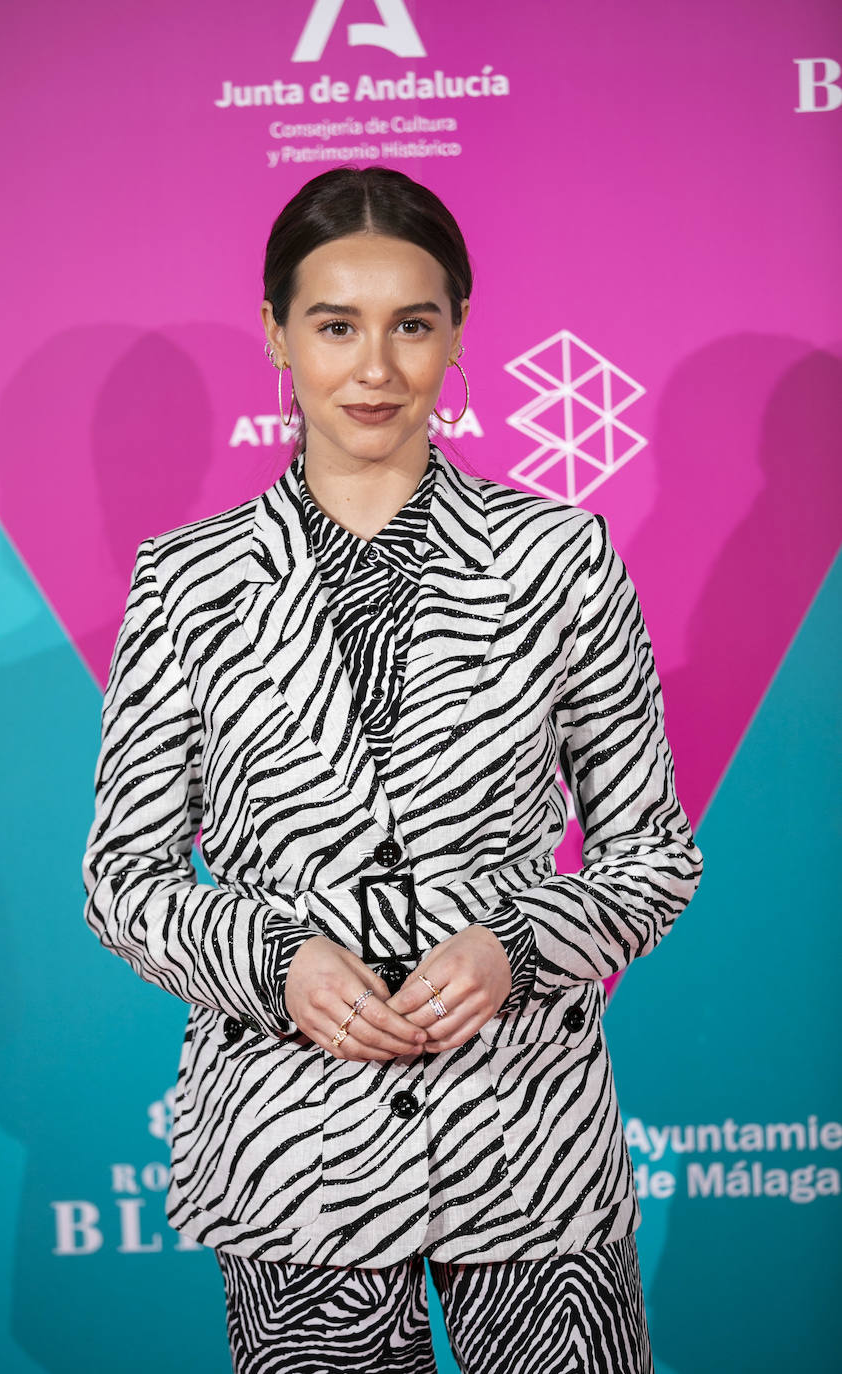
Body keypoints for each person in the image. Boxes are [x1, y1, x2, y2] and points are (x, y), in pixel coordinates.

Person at [82, 166, 703, 1374]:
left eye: (411, 324)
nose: (375, 367)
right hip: (293, 1157)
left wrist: (512, 947)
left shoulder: (558, 558)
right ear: (275, 335)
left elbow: (650, 859)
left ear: (456, 332)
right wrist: (276, 960)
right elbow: (127, 879)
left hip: (528, 1145)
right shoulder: (186, 583)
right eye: (335, 324)